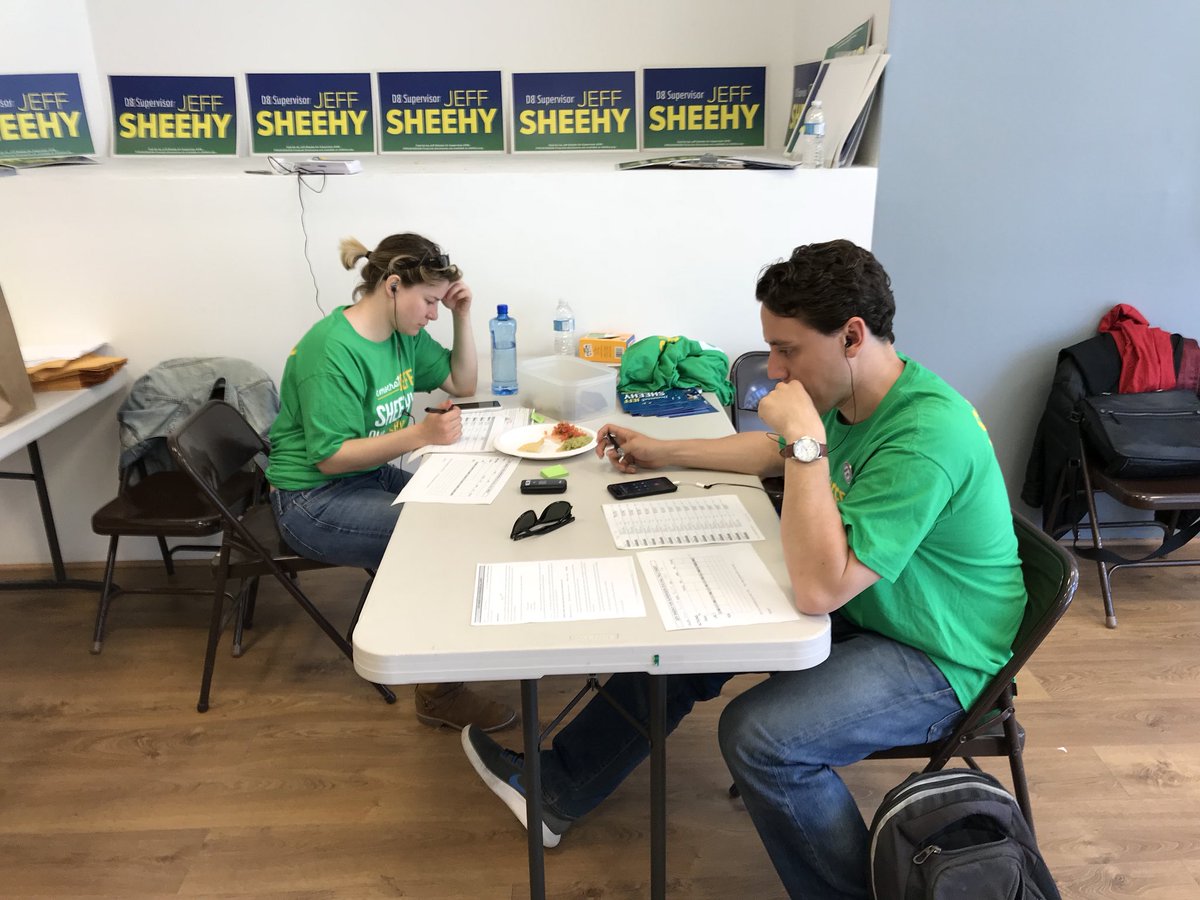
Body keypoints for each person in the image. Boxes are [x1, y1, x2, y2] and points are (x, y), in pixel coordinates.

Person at [460, 239, 1027, 898]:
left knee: (760, 738)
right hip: (877, 604)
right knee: (686, 636)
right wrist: (665, 452)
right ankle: (559, 787)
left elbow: (819, 584)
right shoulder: (860, 394)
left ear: (852, 335)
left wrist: (807, 445)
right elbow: (771, 448)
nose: (775, 371)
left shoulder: (927, 435)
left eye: (788, 349)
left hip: (941, 656)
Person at [268, 233, 516, 733]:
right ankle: (439, 694)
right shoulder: (331, 351)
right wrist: (420, 434)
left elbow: (462, 383)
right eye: (428, 302)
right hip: (310, 498)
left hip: (360, 476)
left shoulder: (401, 335)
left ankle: (437, 643)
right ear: (393, 286)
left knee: (467, 512)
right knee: (437, 537)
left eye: (439, 304)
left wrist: (463, 315)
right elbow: (331, 458)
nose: (432, 314)